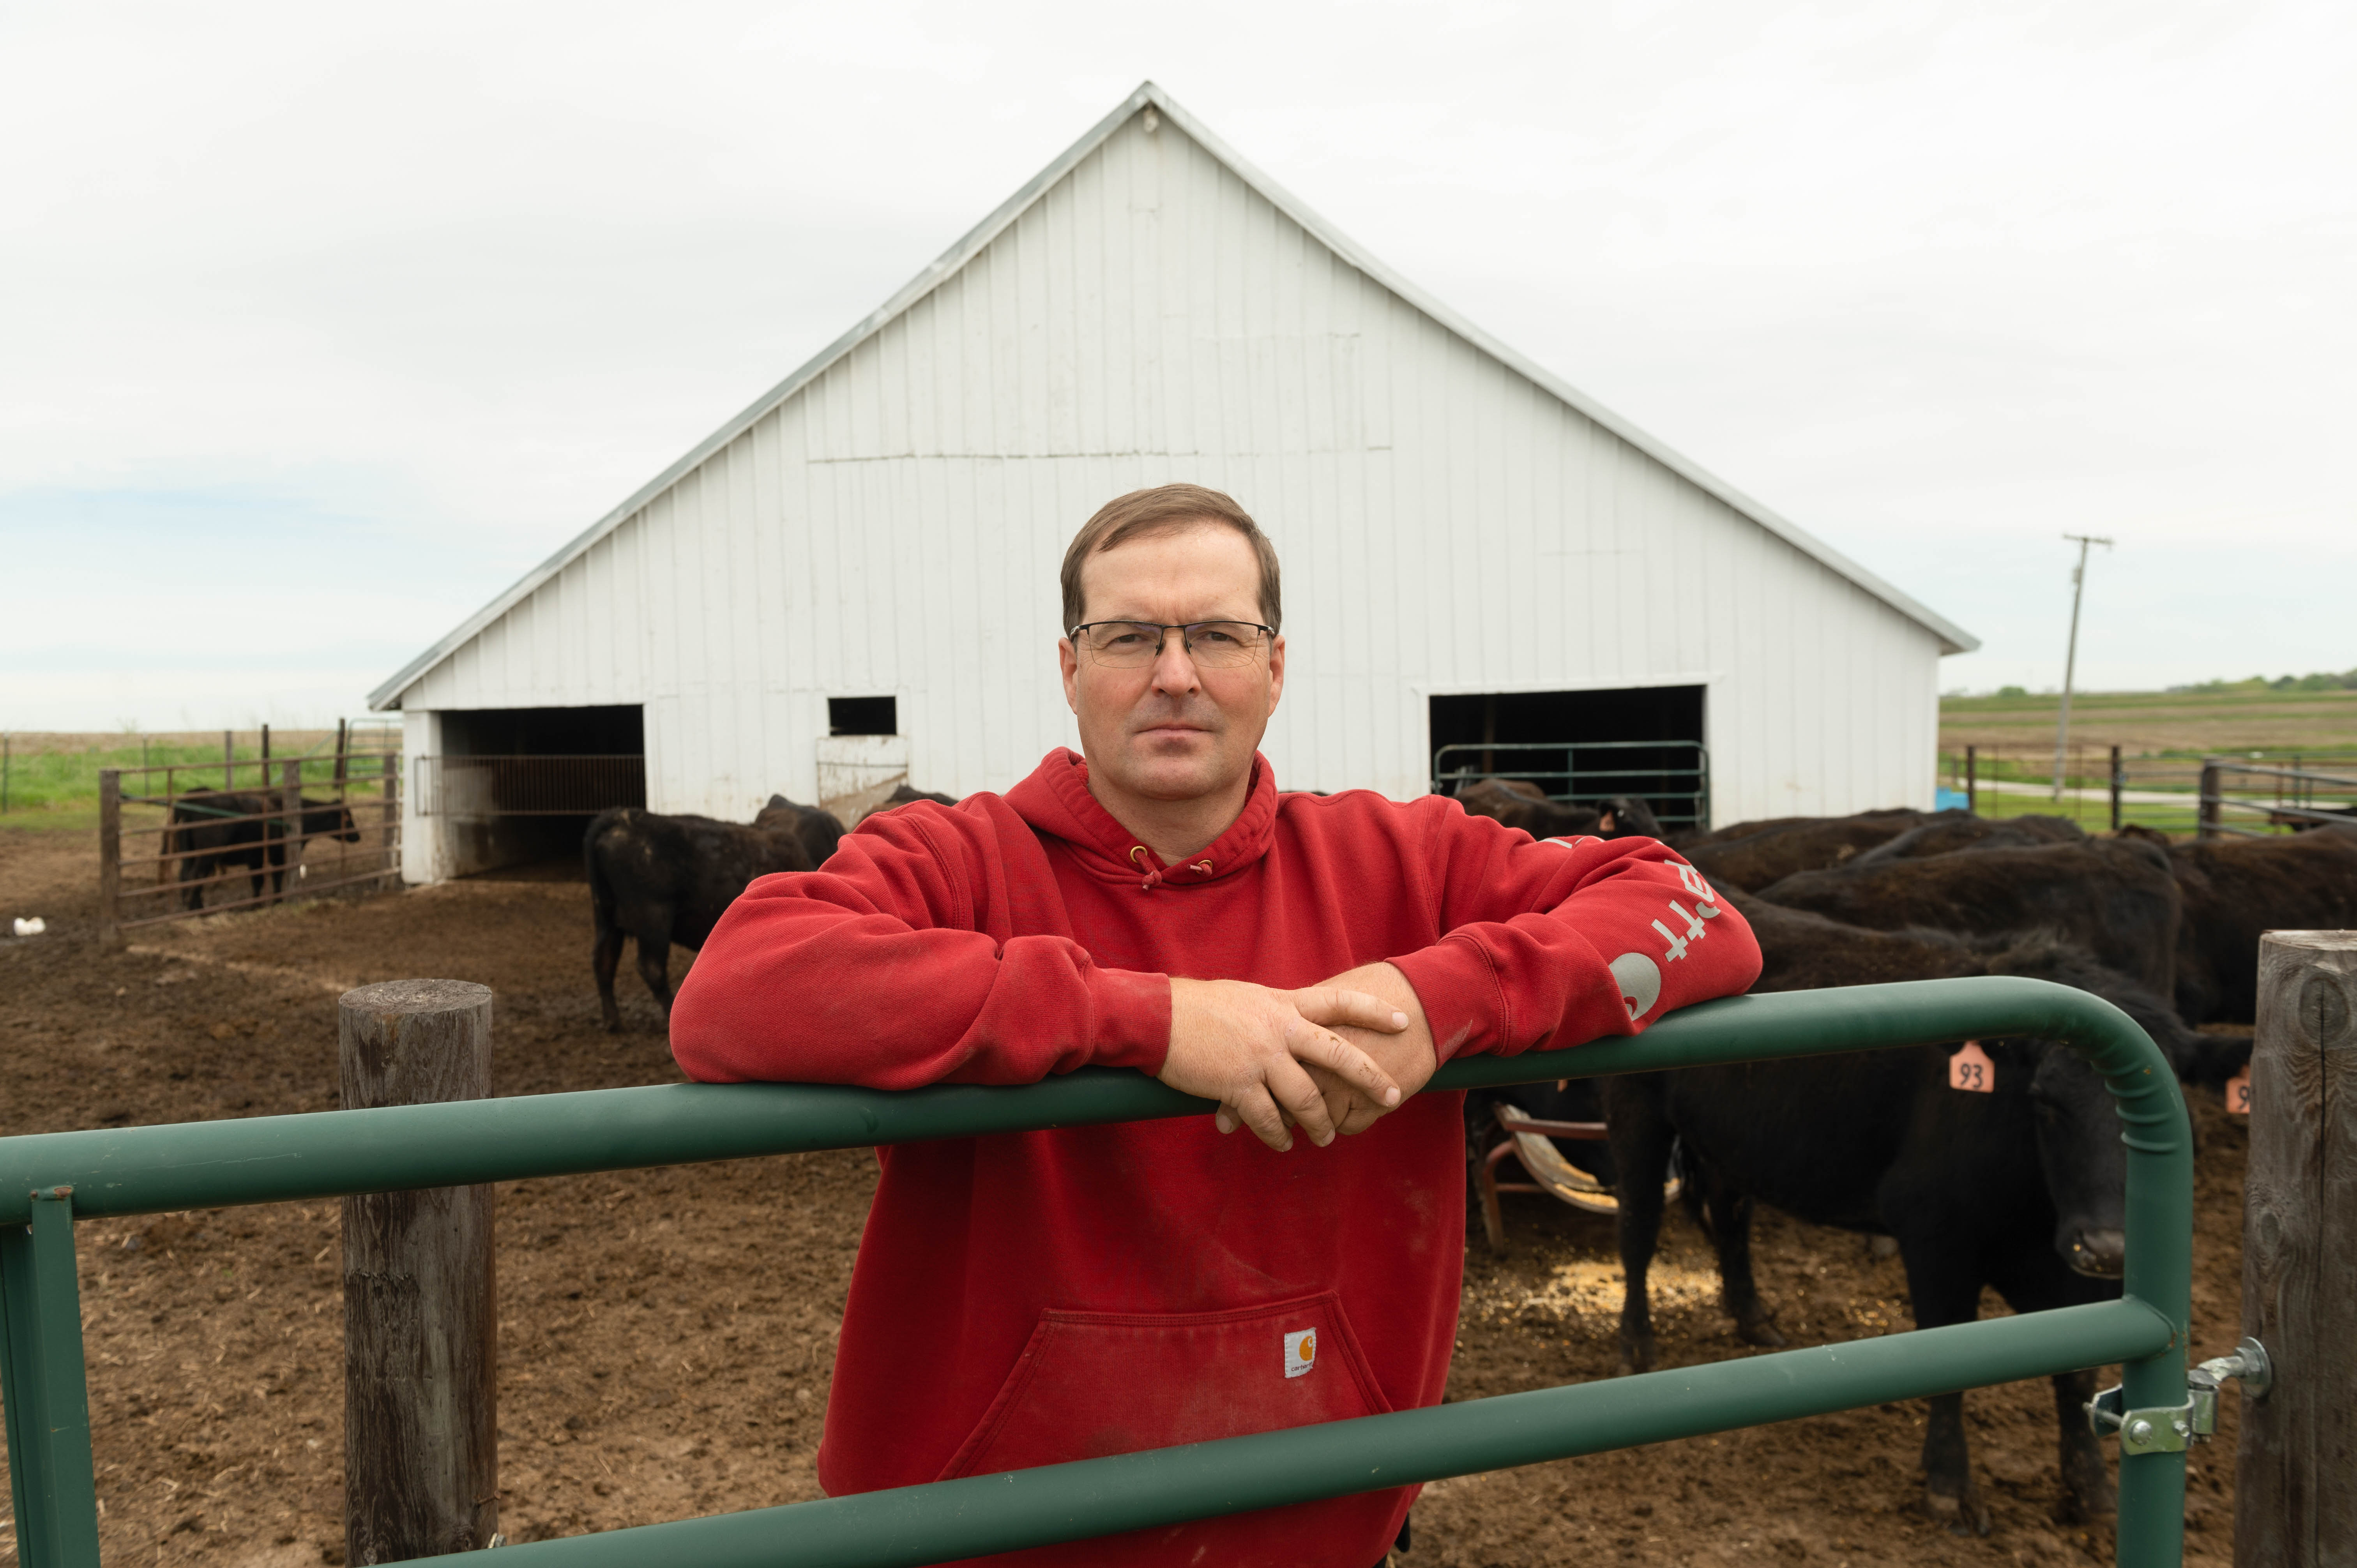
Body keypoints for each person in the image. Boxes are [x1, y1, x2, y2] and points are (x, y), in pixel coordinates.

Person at [670, 483, 1762, 1567]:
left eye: (1219, 636)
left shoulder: (1404, 861)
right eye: (1129, 636)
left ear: (1275, 668)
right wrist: (1150, 1019)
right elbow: (739, 988)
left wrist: (1450, 999)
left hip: (1320, 1516)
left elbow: (1695, 911)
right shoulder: (958, 858)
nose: (1176, 674)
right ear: (1070, 669)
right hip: (986, 1528)